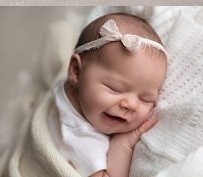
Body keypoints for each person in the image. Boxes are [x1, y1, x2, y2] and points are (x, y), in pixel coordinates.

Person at [52, 13, 166, 177]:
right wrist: (124, 143)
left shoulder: (69, 91)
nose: (131, 104)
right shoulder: (83, 138)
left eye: (146, 99)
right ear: (76, 71)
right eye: (115, 88)